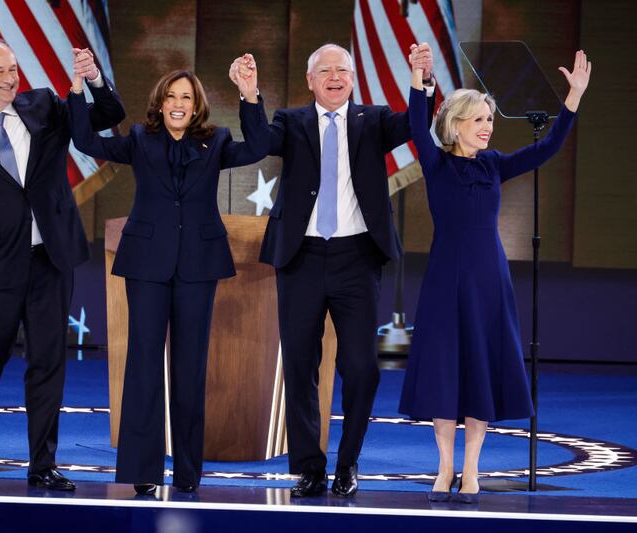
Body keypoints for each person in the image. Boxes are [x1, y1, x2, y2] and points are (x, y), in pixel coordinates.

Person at [0, 37, 125, 490]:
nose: (10, 77)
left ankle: (43, 465)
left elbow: (109, 116)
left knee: (48, 364)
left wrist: (92, 78)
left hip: (49, 261)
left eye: (13, 69)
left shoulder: (46, 108)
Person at [68, 56, 269, 495]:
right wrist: (83, 84)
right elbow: (85, 139)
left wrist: (250, 95)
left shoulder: (215, 141)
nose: (178, 103)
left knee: (190, 368)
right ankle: (143, 470)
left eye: (187, 97)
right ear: (159, 104)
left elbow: (258, 147)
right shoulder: (140, 139)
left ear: (197, 105)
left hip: (198, 265)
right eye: (171, 97)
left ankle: (187, 472)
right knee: (143, 365)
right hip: (147, 265)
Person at [399, 48, 591, 503]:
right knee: (447, 374)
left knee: (480, 371)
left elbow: (546, 148)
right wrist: (417, 80)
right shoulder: (436, 162)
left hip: (488, 280)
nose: (488, 126)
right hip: (446, 281)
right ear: (455, 124)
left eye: (490, 118)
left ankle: (471, 471)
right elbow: (414, 125)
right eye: (479, 119)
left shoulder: (494, 164)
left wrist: (574, 99)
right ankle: (444, 469)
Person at [249, 43, 435, 497]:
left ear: (353, 78)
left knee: (361, 367)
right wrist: (251, 94)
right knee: (300, 365)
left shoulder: (372, 121)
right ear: (310, 81)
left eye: (343, 70)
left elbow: (416, 122)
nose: (335, 76)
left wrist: (421, 80)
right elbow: (259, 143)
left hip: (357, 258)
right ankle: (309, 467)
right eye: (325, 70)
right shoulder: (290, 122)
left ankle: (348, 462)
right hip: (302, 258)